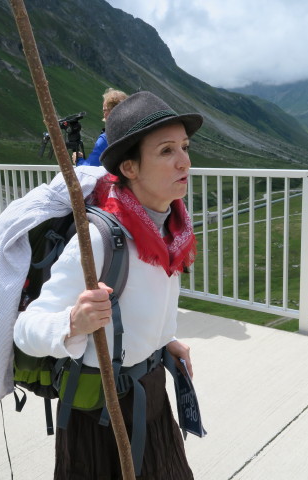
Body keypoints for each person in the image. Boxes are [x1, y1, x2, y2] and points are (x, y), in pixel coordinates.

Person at [13, 91, 203, 479]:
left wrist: (161, 340)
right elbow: (25, 331)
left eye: (184, 146)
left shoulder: (172, 229)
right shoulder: (99, 240)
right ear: (130, 167)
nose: (184, 161)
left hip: (150, 396)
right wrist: (73, 322)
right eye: (166, 151)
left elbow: (140, 304)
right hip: (99, 412)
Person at [72, 88, 128, 166]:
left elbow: (90, 167)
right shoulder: (135, 130)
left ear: (113, 111)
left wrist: (78, 160)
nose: (104, 114)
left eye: (105, 110)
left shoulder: (107, 137)